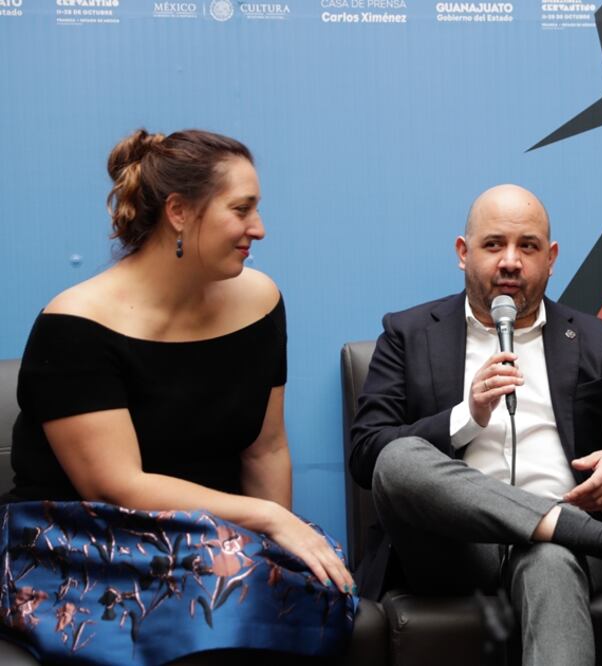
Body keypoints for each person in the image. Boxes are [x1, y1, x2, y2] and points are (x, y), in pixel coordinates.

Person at [0, 129, 355, 664]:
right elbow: (116, 484)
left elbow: (265, 448)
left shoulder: (260, 301)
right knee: (221, 599)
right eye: (242, 210)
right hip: (78, 538)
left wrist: (274, 550)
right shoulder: (75, 324)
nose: (258, 228)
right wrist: (267, 521)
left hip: (213, 539)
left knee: (306, 588)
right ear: (179, 212)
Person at [350, 184, 602, 666]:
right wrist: (464, 417)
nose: (511, 261)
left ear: (551, 258)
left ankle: (572, 534)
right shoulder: (407, 333)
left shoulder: (592, 339)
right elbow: (367, 453)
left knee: (551, 556)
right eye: (494, 244)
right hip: (452, 548)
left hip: (564, 546)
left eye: (528, 246)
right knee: (397, 459)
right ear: (463, 252)